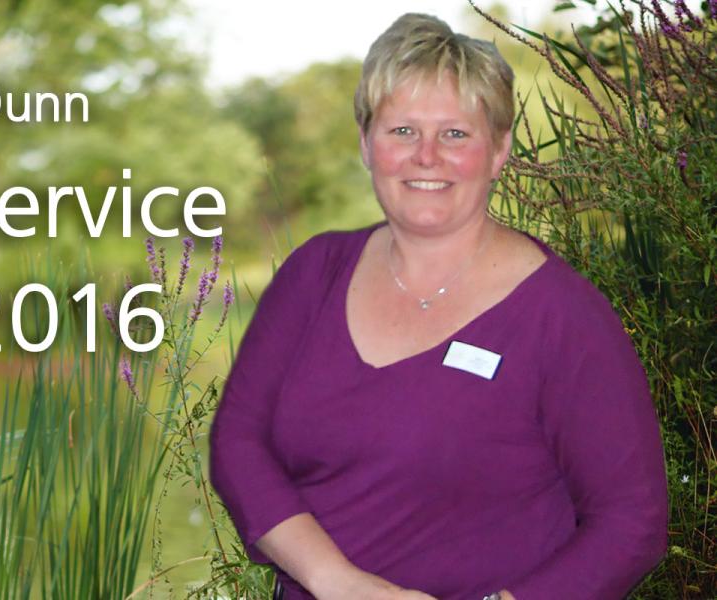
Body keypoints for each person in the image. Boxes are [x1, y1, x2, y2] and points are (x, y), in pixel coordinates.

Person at [208, 13, 669, 600]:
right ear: (366, 144)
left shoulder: (562, 317)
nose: (426, 156)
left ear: (499, 149)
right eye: (401, 131)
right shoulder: (314, 274)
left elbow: (633, 522)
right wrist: (336, 582)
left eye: (455, 134)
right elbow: (239, 441)